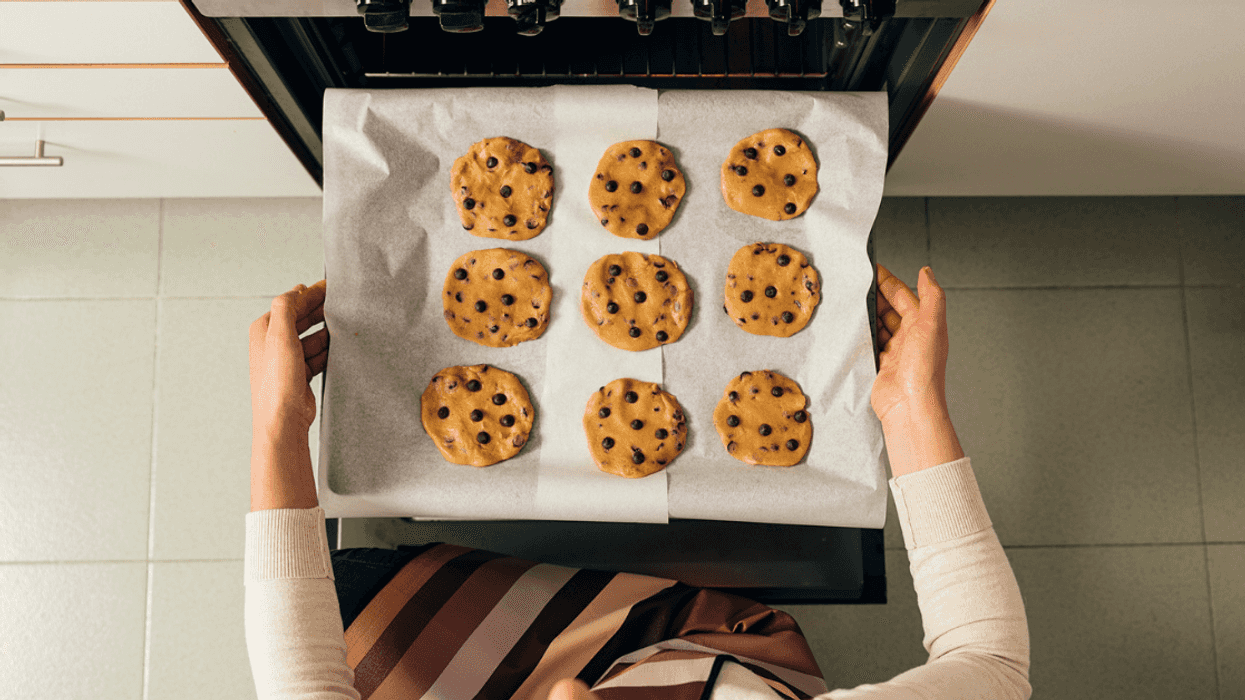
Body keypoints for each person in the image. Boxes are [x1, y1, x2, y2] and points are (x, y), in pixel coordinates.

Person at [244, 265, 1031, 699]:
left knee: (349, 600)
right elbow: (991, 664)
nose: (561, 694)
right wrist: (907, 408)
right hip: (720, 653)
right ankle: (699, 629)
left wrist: (279, 423)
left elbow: (303, 684)